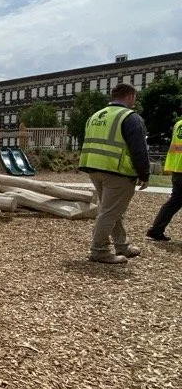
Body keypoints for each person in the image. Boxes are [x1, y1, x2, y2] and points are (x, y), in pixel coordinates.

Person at [78, 83, 149, 264]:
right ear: (130, 96)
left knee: (111, 209)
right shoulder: (130, 118)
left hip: (94, 168)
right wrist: (144, 174)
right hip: (118, 171)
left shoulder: (95, 116)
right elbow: (139, 149)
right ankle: (99, 250)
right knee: (109, 212)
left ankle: (122, 245)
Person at [146, 115, 182, 241]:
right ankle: (156, 230)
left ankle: (156, 230)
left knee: (175, 201)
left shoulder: (178, 124)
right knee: (175, 201)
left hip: (177, 168)